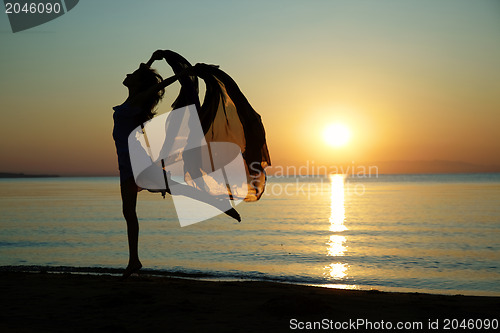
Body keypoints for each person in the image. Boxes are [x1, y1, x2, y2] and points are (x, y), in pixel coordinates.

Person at [113, 50, 192, 278]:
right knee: (129, 212)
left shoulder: (137, 100)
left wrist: (183, 74)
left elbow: (154, 87)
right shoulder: (133, 99)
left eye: (133, 74)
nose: (128, 74)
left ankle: (220, 200)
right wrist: (151, 60)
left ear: (137, 85)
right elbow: (144, 79)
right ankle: (134, 260)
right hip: (126, 164)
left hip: (136, 164)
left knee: (175, 188)